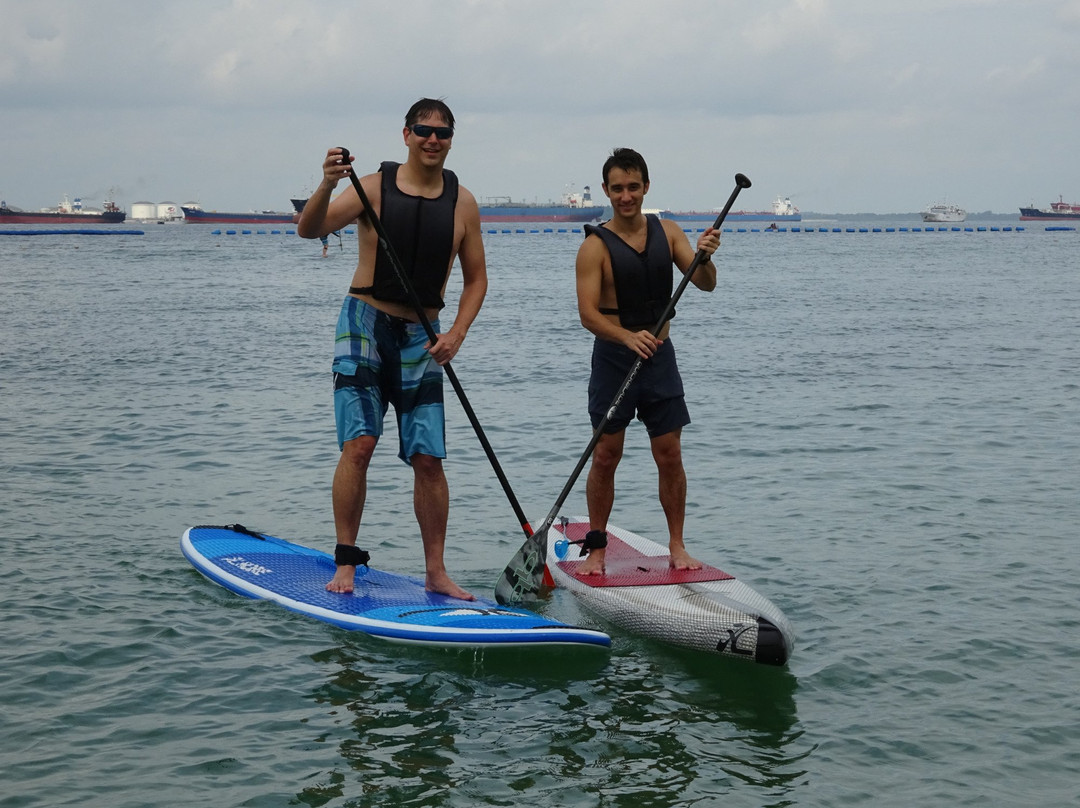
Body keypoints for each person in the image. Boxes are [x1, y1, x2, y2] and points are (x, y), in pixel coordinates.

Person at [297, 98, 487, 599]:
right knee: (359, 444)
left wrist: (457, 334)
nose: (433, 139)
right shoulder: (374, 187)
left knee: (428, 458)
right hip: (364, 321)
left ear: (450, 140)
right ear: (405, 134)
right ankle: (345, 562)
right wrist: (328, 183)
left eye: (442, 133)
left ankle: (436, 572)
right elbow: (310, 229)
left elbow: (476, 281)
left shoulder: (463, 203)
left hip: (422, 337)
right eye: (424, 130)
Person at [574, 147, 721, 576]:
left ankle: (677, 545)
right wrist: (625, 337)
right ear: (606, 190)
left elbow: (706, 285)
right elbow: (587, 315)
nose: (625, 196)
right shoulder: (594, 247)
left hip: (659, 359)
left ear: (646, 187)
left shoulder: (669, 232)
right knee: (606, 454)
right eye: (617, 188)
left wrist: (705, 256)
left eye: (633, 187)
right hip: (613, 360)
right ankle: (597, 549)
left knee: (669, 453)